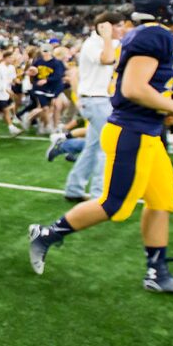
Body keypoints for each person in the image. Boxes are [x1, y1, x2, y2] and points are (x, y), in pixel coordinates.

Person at [28, 0, 173, 297]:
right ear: (164, 6)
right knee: (114, 205)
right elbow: (134, 89)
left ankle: (158, 272)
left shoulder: (148, 34)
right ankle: (46, 233)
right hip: (133, 131)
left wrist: (163, 109)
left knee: (162, 200)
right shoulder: (156, 34)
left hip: (145, 130)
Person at [64, 11, 126, 202]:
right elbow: (107, 59)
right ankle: (100, 195)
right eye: (119, 25)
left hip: (99, 99)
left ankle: (74, 189)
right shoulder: (92, 44)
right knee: (105, 148)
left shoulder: (108, 43)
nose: (122, 29)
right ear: (105, 27)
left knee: (92, 147)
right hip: (95, 100)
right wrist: (107, 37)